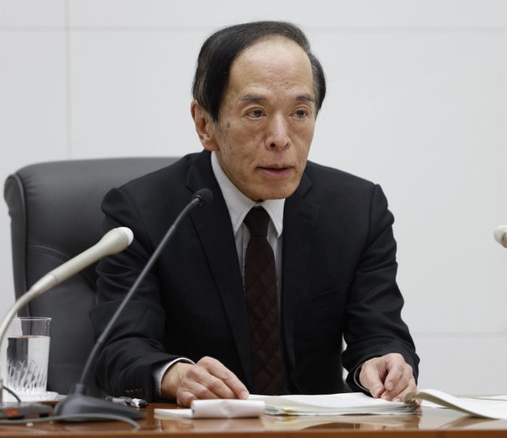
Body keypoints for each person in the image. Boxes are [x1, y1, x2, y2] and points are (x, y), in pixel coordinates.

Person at [91, 21, 418, 407]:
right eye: (256, 112)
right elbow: (119, 349)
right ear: (204, 124)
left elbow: (379, 333)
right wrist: (175, 375)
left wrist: (383, 362)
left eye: (299, 112)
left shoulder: (357, 210)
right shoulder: (144, 212)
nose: (280, 137)